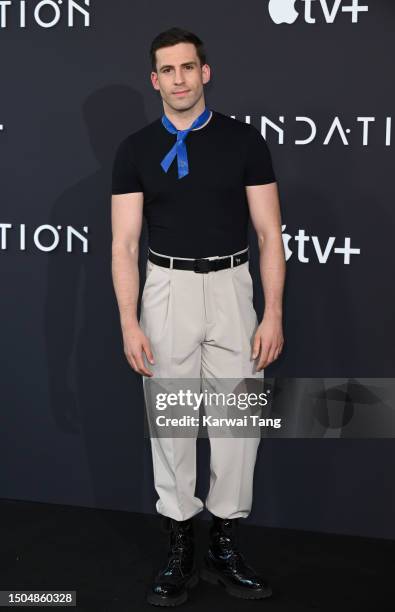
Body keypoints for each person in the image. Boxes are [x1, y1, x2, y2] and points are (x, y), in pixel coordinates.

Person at [111, 26, 285, 607]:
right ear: (154, 79)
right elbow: (124, 244)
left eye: (188, 67)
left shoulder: (245, 142)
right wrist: (130, 321)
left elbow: (268, 234)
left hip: (233, 288)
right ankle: (181, 540)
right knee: (172, 418)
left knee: (239, 420)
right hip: (165, 289)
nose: (179, 79)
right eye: (168, 70)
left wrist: (273, 312)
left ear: (204, 73)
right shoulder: (133, 150)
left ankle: (225, 541)